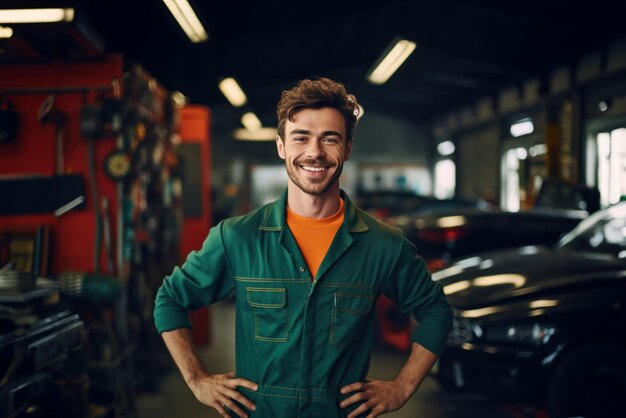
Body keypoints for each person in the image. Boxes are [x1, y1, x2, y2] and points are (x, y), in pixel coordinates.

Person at [153, 77, 453, 418]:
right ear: (281, 146)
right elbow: (170, 299)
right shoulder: (238, 238)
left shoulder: (383, 245)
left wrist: (402, 387)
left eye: (330, 139)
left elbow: (436, 310)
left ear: (348, 147)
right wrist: (197, 379)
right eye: (301, 138)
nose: (314, 152)